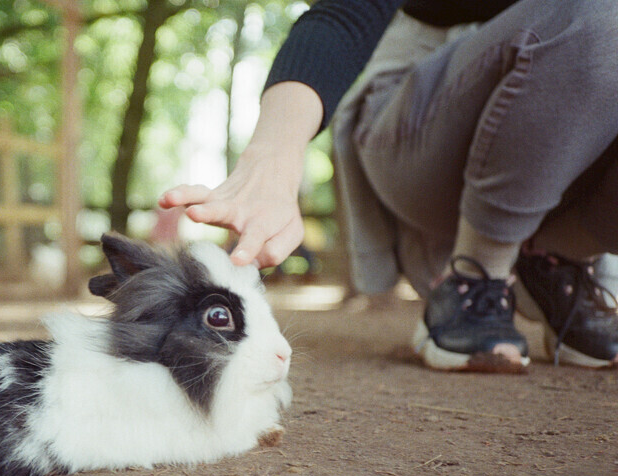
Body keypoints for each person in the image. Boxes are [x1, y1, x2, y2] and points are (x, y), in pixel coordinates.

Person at [160, 0, 618, 372]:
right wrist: (273, 158)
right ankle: (475, 275)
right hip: (415, 138)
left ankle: (557, 254)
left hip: (569, 175)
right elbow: (342, 16)